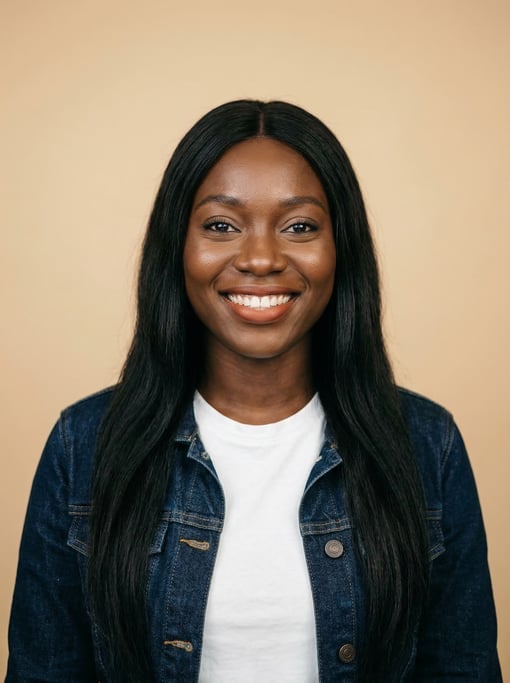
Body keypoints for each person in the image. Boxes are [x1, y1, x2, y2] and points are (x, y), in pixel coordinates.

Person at [6, 100, 501, 683]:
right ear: (178, 247)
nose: (262, 258)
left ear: (341, 249)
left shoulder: (427, 445)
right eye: (221, 225)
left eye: (299, 226)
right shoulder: (81, 446)